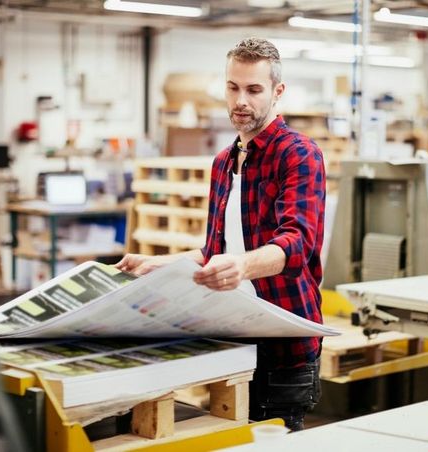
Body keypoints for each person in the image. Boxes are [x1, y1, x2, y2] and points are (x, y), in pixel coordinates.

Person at [116, 37, 326, 431]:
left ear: (277, 92)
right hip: (232, 337)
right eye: (233, 88)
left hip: (283, 344)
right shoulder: (223, 163)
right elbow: (215, 250)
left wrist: (242, 267)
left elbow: (298, 245)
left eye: (253, 89)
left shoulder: (299, 154)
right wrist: (156, 263)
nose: (240, 100)